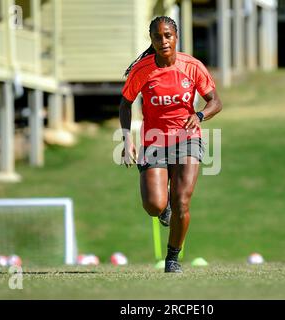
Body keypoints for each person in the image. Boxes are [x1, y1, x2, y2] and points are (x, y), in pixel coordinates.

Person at [119, 16, 222, 273]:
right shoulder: (142, 70)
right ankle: (163, 208)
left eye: (168, 35)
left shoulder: (192, 66)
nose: (163, 41)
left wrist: (198, 115)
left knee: (182, 202)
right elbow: (125, 103)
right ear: (151, 40)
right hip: (154, 141)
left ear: (176, 37)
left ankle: (172, 259)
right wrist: (127, 138)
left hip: (188, 139)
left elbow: (215, 102)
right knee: (154, 204)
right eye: (157, 36)